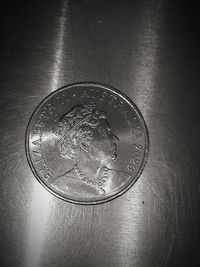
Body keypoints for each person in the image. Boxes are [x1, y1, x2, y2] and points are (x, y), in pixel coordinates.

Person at [52, 102, 130, 197]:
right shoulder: (62, 185)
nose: (115, 139)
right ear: (84, 144)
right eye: (105, 133)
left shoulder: (121, 178)